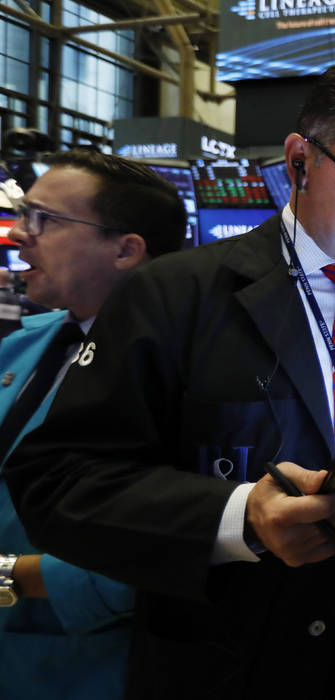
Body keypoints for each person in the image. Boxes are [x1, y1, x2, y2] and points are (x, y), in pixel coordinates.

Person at [7, 64, 335, 699]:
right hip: (235, 657)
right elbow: (59, 482)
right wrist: (239, 516)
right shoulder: (178, 296)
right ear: (300, 159)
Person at [0, 149, 185, 699]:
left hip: (82, 665)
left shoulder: (186, 372)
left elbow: (171, 545)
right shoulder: (23, 344)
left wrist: (9, 579)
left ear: (126, 249)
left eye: (44, 221)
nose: (18, 235)